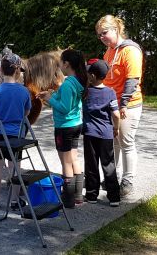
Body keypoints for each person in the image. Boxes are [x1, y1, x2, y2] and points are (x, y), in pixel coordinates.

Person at [95, 14, 143, 196]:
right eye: (99, 35)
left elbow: (133, 79)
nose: (102, 38)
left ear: (116, 29)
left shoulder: (130, 51)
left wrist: (122, 104)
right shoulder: (109, 51)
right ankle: (111, 177)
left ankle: (127, 181)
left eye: (104, 33)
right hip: (112, 104)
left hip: (128, 105)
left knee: (126, 142)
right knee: (113, 142)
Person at [37, 49, 88, 208]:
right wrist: (53, 93)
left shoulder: (67, 84)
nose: (59, 65)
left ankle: (68, 200)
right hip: (75, 124)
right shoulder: (77, 81)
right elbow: (70, 101)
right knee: (74, 159)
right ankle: (78, 195)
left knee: (66, 163)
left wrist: (49, 99)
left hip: (64, 127)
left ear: (67, 64)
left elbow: (64, 107)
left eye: (60, 62)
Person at [0, 53, 31, 211]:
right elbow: (26, 112)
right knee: (15, 167)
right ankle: (15, 201)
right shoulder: (24, 91)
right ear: (17, 71)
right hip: (17, 135)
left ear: (0, 71)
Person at [83, 58, 120, 207]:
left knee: (91, 165)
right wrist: (115, 128)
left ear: (92, 76)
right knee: (109, 164)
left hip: (90, 134)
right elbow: (116, 114)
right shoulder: (111, 93)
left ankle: (91, 195)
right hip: (106, 134)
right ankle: (114, 197)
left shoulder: (85, 93)